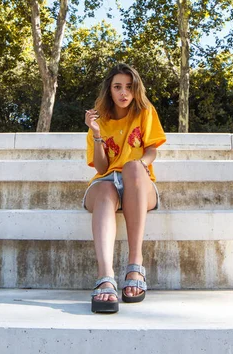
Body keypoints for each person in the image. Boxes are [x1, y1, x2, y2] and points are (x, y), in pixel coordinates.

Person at [83, 63, 166, 314]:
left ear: (136, 89)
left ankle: (135, 263)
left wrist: (138, 167)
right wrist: (96, 134)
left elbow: (152, 149)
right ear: (109, 89)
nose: (123, 93)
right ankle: (106, 276)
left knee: (132, 167)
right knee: (107, 190)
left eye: (129, 87)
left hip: (139, 183)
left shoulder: (145, 112)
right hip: (105, 182)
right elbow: (100, 166)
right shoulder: (99, 118)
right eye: (118, 87)